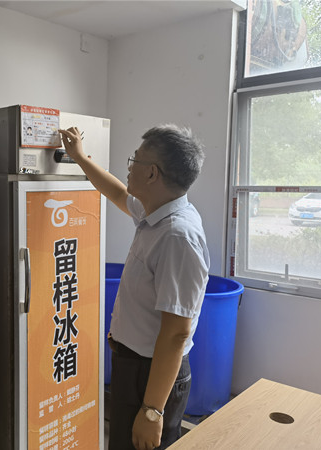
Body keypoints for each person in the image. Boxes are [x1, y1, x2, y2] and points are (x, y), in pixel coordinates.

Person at [59, 125, 209, 450]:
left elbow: (176, 333)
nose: (129, 167)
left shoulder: (177, 236)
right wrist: (79, 157)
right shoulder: (157, 212)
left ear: (152, 173)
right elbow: (116, 193)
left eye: (134, 160)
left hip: (151, 375)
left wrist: (152, 410)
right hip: (133, 365)